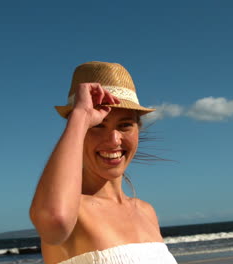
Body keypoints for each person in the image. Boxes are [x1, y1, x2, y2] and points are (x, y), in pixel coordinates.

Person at [30, 61, 178, 264]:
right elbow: (55, 220)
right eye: (97, 125)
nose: (114, 140)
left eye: (125, 125)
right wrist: (81, 115)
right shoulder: (74, 211)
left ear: (138, 129)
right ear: (78, 130)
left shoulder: (146, 211)